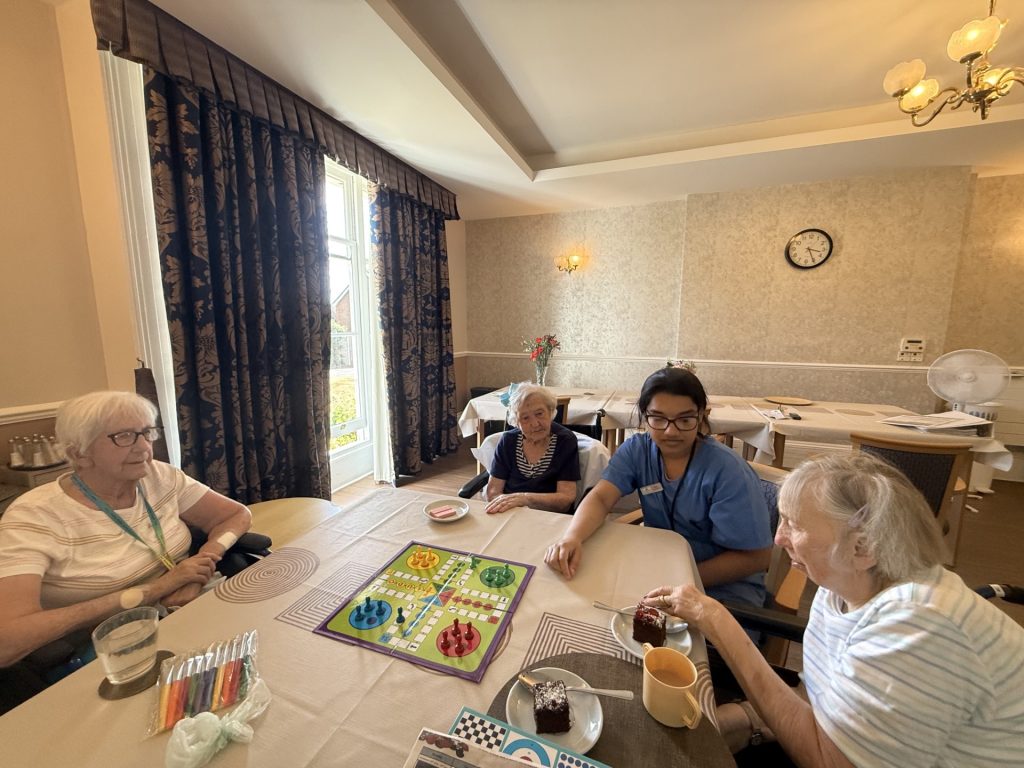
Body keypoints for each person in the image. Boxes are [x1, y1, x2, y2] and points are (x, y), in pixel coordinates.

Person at [644, 453, 1024, 766]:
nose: (779, 538)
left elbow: (829, 760)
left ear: (864, 547)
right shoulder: (843, 584)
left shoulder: (918, 627)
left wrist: (716, 620)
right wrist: (744, 719)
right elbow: (827, 698)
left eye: (794, 525)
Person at [0, 391, 252, 687]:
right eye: (124, 436)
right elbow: (8, 641)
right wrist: (152, 591)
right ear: (79, 453)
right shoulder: (34, 517)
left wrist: (200, 564)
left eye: (147, 433)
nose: (145, 448)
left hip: (183, 614)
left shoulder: (160, 477)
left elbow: (236, 515)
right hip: (108, 656)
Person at [545, 367, 772, 606]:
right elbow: (601, 497)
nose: (671, 431)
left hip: (722, 590)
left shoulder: (727, 471)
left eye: (685, 420)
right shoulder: (637, 451)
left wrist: (681, 581)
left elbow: (756, 558)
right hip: (660, 573)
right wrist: (572, 537)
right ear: (644, 416)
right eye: (659, 418)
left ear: (701, 416)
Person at [482, 383, 580, 515]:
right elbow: (493, 492)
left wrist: (524, 499)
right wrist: (514, 509)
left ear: (551, 412)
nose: (535, 424)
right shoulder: (508, 441)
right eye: (525, 418)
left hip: (550, 517)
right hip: (510, 514)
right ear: (516, 422)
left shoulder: (565, 441)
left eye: (539, 414)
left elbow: (565, 499)